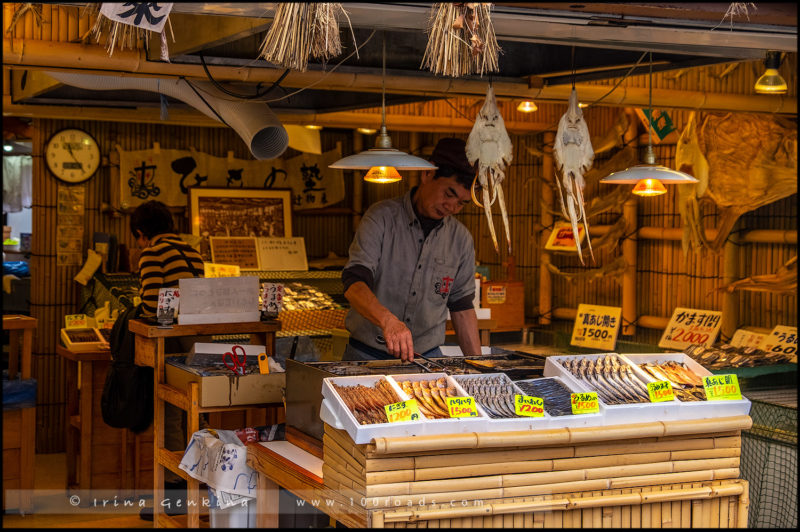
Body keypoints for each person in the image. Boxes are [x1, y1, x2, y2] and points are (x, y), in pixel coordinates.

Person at [342, 137, 481, 362]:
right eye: (449, 193)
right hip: (365, 355)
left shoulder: (461, 239)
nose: (452, 207)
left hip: (426, 359)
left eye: (462, 203)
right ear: (427, 174)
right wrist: (387, 320)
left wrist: (480, 368)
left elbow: (462, 307)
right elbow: (354, 283)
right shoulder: (381, 218)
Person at [130, 200, 204, 520]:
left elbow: (151, 306)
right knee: (196, 414)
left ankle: (174, 499)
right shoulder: (192, 251)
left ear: (141, 233)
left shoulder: (152, 252)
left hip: (172, 343)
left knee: (172, 414)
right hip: (200, 343)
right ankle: (197, 488)